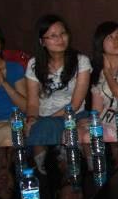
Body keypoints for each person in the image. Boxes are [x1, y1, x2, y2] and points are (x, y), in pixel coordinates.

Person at [25, 14, 91, 171]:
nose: (60, 39)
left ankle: (92, 172)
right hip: (44, 116)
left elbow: (75, 104)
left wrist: (45, 121)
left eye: (63, 33)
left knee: (44, 128)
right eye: (53, 36)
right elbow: (33, 102)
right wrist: (32, 118)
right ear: (42, 41)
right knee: (32, 128)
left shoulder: (81, 61)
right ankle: (42, 171)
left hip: (73, 114)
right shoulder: (34, 64)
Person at [88, 21, 118, 142]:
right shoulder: (99, 73)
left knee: (89, 137)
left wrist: (107, 73)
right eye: (110, 37)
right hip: (106, 120)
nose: (117, 40)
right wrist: (88, 123)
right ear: (100, 43)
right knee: (75, 133)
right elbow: (97, 109)